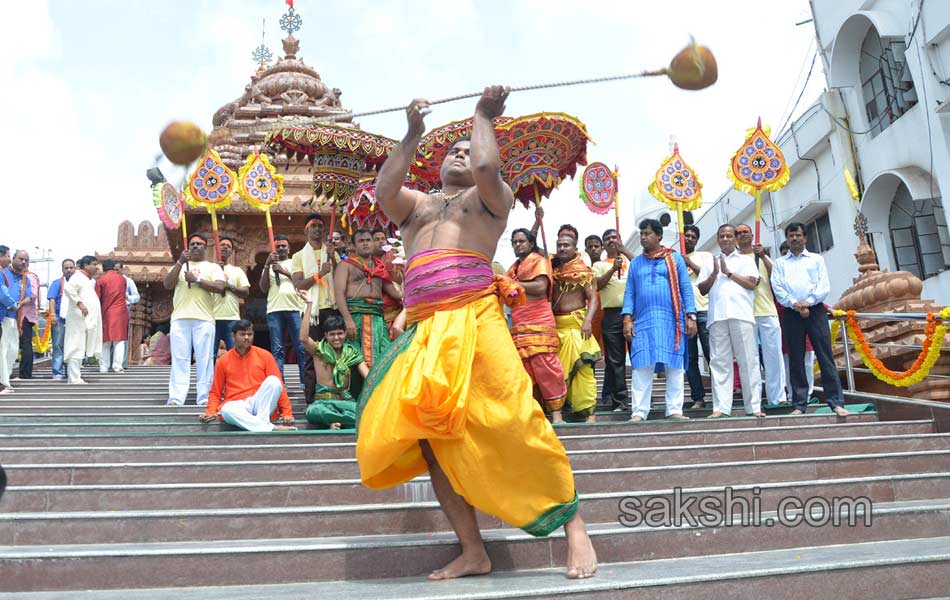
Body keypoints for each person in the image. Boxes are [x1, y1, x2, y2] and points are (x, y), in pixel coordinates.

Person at [357, 88, 596, 580]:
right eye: (453, 151)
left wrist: (482, 117)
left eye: (469, 149)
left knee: (516, 419)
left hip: (477, 318)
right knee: (433, 443)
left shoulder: (492, 199)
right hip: (425, 331)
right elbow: (383, 190)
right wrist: (412, 134)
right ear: (436, 164)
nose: (462, 155)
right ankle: (473, 551)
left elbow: (488, 168)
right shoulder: (416, 205)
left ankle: (574, 528)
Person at [771, 222, 849, 417]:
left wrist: (808, 302)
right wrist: (795, 304)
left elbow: (823, 286)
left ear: (805, 238)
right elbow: (778, 288)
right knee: (796, 358)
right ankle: (799, 404)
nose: (795, 239)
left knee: (825, 356)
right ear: (787, 239)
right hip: (791, 313)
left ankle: (836, 402)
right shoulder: (780, 264)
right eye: (791, 236)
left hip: (815, 311)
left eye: (798, 235)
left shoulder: (816, 260)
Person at [622, 219, 697, 421]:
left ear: (659, 236)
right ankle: (639, 412)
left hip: (672, 320)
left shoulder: (675, 259)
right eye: (641, 234)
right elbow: (630, 292)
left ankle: (674, 410)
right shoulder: (636, 263)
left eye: (647, 233)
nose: (643, 237)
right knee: (641, 365)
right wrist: (627, 319)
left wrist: (691, 315)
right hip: (644, 321)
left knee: (674, 366)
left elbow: (686, 288)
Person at [697, 225, 765, 418]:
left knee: (748, 361)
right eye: (721, 236)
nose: (725, 239)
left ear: (735, 238)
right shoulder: (711, 261)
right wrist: (714, 273)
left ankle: (754, 407)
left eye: (729, 236)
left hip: (741, 314)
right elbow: (702, 289)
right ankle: (721, 408)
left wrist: (728, 273)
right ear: (717, 239)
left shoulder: (746, 260)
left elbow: (752, 284)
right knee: (719, 362)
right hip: (717, 317)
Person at [508, 228, 567, 422]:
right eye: (515, 242)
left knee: (546, 366)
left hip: (538, 320)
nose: (518, 245)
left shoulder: (540, 261)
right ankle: (535, 414)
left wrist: (513, 284)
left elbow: (541, 288)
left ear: (531, 243)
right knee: (525, 370)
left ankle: (557, 414)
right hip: (518, 323)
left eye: (522, 241)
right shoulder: (513, 268)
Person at [162, 233, 225, 406]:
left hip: (204, 319)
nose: (195, 246)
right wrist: (180, 262)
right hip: (180, 318)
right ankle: (176, 397)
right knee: (179, 359)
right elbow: (167, 284)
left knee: (204, 359)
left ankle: (204, 397)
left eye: (199, 244)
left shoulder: (213, 267)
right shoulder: (180, 266)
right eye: (192, 244)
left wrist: (197, 280)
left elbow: (220, 287)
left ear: (205, 247)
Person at [200, 319, 296, 432]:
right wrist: (210, 411)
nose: (246, 337)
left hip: (260, 404)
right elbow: (216, 392)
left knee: (274, 381)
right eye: (242, 334)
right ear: (233, 336)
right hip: (238, 406)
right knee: (226, 410)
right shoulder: (223, 361)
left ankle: (259, 424)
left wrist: (286, 412)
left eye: (249, 334)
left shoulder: (265, 355)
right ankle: (268, 427)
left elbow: (279, 388)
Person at [735, 224, 788, 407]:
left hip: (767, 311)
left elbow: (778, 276)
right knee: (750, 360)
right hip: (744, 313)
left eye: (745, 232)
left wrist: (763, 254)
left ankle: (778, 398)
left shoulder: (762, 257)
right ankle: (754, 401)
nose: (742, 235)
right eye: (738, 233)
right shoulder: (733, 260)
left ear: (751, 235)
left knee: (773, 356)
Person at [334, 229, 399, 373]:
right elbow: (338, 293)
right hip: (355, 316)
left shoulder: (380, 268)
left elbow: (395, 292)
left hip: (377, 318)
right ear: (354, 245)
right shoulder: (345, 265)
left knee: (385, 356)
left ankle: (378, 393)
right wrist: (347, 319)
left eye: (368, 240)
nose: (365, 244)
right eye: (361, 241)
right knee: (355, 359)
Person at [552, 234, 601, 422]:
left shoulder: (583, 271)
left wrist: (588, 320)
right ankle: (561, 410)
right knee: (558, 372)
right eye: (559, 245)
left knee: (584, 371)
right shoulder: (552, 269)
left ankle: (590, 414)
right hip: (557, 327)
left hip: (578, 327)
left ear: (574, 249)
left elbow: (593, 298)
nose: (562, 248)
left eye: (566, 245)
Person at [298, 301, 368, 429]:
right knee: (313, 411)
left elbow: (368, 377)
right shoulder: (318, 350)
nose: (336, 338)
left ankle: (334, 421)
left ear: (345, 333)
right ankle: (336, 421)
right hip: (323, 403)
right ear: (326, 335)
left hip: (345, 403)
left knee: (364, 414)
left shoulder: (352, 353)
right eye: (332, 334)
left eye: (340, 333)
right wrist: (309, 305)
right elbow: (303, 338)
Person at [291, 214, 337, 400]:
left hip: (332, 309)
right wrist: (320, 274)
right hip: (312, 313)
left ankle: (336, 397)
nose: (317, 229)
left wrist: (333, 257)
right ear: (306, 230)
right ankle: (311, 400)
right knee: (312, 356)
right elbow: (299, 284)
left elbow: (341, 277)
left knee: (335, 353)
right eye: (314, 225)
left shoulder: (331, 252)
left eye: (320, 226)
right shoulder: (298, 256)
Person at [593, 228, 633, 412]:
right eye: (607, 238)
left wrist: (624, 251)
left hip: (633, 314)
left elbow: (643, 268)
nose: (611, 240)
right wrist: (613, 269)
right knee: (615, 360)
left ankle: (642, 398)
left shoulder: (630, 260)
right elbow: (597, 285)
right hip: (611, 315)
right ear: (603, 244)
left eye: (614, 237)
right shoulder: (599, 265)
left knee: (638, 356)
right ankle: (620, 401)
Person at [260, 234, 307, 384]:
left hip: (294, 308)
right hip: (274, 310)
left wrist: (284, 272)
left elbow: (303, 283)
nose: (280, 248)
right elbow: (263, 288)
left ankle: (304, 382)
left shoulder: (295, 262)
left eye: (283, 246)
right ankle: (279, 383)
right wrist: (267, 265)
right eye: (277, 246)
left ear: (289, 248)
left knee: (300, 346)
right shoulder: (269, 266)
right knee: (277, 349)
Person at [777, 241, 814, 401]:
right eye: (784, 253)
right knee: (788, 364)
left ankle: (809, 393)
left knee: (807, 363)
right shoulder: (778, 276)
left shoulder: (805, 271)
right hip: (785, 326)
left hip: (806, 321)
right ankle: (793, 395)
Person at [682, 225, 713, 409]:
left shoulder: (705, 256)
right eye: (686, 236)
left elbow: (709, 276)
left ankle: (719, 395)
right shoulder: (674, 258)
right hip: (685, 314)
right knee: (690, 358)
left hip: (705, 311)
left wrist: (690, 263)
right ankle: (698, 398)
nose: (689, 239)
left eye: (693, 236)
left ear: (697, 239)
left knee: (712, 355)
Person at [63, 256, 103, 385]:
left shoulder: (85, 279)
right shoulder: (78, 276)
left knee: (79, 346)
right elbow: (68, 289)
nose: (96, 267)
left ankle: (75, 377)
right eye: (93, 264)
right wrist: (80, 304)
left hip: (83, 320)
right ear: (85, 265)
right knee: (75, 345)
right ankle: (74, 378)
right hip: (78, 319)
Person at [4, 250, 40, 380]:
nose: (24, 262)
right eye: (21, 259)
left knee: (21, 345)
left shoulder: (28, 277)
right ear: (12, 259)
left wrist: (18, 304)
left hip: (22, 316)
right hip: (6, 315)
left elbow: (32, 295)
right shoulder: (4, 273)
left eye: (26, 260)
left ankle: (24, 375)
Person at [213, 237, 250, 355]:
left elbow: (245, 292)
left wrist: (230, 287)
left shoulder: (237, 271)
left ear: (231, 251)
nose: (225, 247)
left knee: (235, 352)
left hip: (232, 317)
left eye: (228, 246)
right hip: (212, 317)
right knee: (211, 354)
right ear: (217, 248)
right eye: (222, 244)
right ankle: (212, 374)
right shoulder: (209, 269)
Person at [95, 259, 129, 374]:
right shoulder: (122, 279)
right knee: (119, 341)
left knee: (105, 341)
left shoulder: (100, 280)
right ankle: (117, 366)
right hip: (120, 312)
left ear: (104, 268)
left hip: (106, 312)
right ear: (114, 267)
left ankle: (104, 367)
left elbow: (97, 298)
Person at [0, 246, 26, 394]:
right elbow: (2, 294)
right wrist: (13, 304)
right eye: (8, 256)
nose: (9, 259)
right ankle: (2, 384)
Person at [46, 259, 75, 380]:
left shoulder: (77, 283)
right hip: (58, 318)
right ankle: (57, 372)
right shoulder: (57, 283)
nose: (69, 270)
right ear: (62, 270)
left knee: (72, 345)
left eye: (71, 267)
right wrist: (52, 314)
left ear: (75, 268)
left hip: (74, 319)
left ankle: (71, 372)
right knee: (58, 345)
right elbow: (52, 299)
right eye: (66, 268)